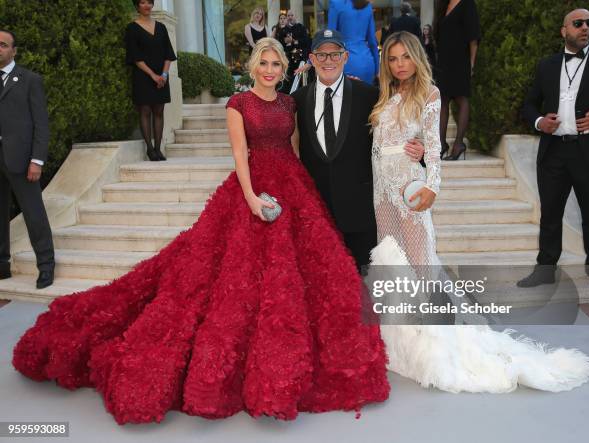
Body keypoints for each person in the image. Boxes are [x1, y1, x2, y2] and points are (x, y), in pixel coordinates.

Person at [12, 37, 390, 425]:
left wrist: (300, 197)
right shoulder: (237, 104)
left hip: (290, 188)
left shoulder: (290, 102)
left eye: (276, 64)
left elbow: (293, 149)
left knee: (297, 275)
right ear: (253, 65)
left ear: (285, 69)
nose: (270, 70)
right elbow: (240, 154)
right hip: (251, 188)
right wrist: (251, 197)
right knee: (229, 277)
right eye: (264, 63)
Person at [369, 31, 589, 394]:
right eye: (393, 59)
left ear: (417, 58)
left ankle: (437, 352)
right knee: (392, 266)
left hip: (410, 193)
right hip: (381, 195)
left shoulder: (429, 94)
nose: (399, 65)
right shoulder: (384, 95)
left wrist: (432, 186)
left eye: (405, 57)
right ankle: (401, 348)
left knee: (420, 266)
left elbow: (432, 145)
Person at [292, 29, 425, 269]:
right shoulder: (297, 101)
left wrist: (420, 148)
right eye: (322, 55)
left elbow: (398, 131)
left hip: (361, 215)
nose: (328, 61)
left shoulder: (370, 96)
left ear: (345, 57)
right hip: (317, 214)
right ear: (311, 59)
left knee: (366, 290)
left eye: (335, 54)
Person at [519, 9, 589, 296]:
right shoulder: (547, 65)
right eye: (578, 23)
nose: (585, 28)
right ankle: (545, 270)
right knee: (550, 215)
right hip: (554, 151)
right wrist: (539, 122)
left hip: (588, 150)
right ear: (564, 31)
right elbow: (528, 104)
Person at [0, 28, 55, 289]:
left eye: (2, 44)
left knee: (34, 214)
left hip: (22, 160)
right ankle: (2, 266)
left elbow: (41, 124)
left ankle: (46, 265)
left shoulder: (30, 80)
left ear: (14, 50)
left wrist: (37, 160)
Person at [125, 0, 177, 161]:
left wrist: (164, 75)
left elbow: (169, 54)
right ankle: (149, 149)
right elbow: (135, 57)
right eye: (142, 2)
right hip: (143, 76)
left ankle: (158, 149)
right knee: (145, 111)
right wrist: (153, 75)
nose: (147, 6)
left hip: (162, 77)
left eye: (149, 2)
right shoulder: (132, 28)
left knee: (159, 111)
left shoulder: (161, 27)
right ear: (137, 6)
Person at [434, 0, 480, 160]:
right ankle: (441, 143)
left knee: (461, 98)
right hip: (444, 62)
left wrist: (472, 64)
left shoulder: (467, 3)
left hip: (461, 60)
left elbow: (473, 38)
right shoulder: (442, 5)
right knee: (443, 100)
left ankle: (459, 143)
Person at [328, 0, 379, 85]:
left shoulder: (335, 3)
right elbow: (372, 42)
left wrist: (311, 61)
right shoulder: (367, 6)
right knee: (367, 96)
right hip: (368, 62)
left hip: (347, 62)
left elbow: (330, 38)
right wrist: (377, 69)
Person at [277, 9, 310, 93]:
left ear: (296, 16)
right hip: (288, 58)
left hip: (300, 58)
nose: (290, 17)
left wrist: (294, 41)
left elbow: (307, 41)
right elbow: (279, 42)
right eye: (288, 16)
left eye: (292, 15)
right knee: (287, 78)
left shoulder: (301, 27)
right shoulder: (284, 29)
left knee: (299, 79)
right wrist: (284, 41)